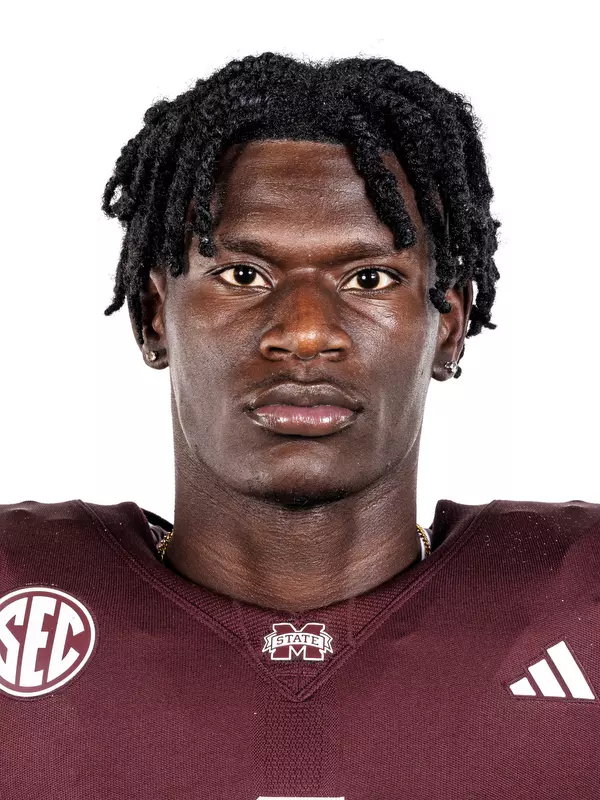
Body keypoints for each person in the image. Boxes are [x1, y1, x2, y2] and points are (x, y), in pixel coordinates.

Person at [0, 52, 597, 800]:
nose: (307, 333)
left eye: (369, 278)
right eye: (244, 275)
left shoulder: (581, 597)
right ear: (155, 316)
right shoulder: (17, 598)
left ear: (449, 324)